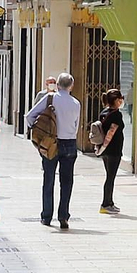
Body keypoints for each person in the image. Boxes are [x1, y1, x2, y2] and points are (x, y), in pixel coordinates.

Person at [25, 72, 81, 228]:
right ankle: (63, 216)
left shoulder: (50, 98)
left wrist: (38, 132)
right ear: (71, 86)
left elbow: (29, 116)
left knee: (48, 179)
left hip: (51, 143)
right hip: (69, 143)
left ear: (57, 85)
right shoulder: (76, 103)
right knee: (67, 181)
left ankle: (46, 216)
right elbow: (76, 126)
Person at [94, 88, 126, 214]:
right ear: (117, 100)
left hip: (105, 150)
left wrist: (101, 148)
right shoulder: (116, 115)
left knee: (109, 176)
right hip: (114, 150)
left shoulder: (104, 112)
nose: (121, 101)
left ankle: (110, 202)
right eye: (120, 99)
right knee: (110, 177)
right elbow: (111, 133)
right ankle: (105, 204)